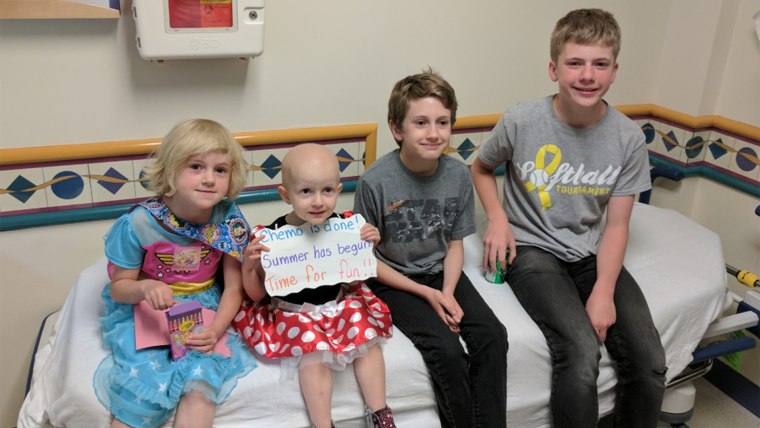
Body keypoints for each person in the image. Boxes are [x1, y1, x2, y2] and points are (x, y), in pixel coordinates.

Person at [470, 8, 667, 428]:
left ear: (615, 71)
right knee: (580, 353)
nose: (587, 75)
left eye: (599, 64)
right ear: (553, 68)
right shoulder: (522, 120)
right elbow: (481, 168)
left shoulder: (628, 138)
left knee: (650, 363)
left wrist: (603, 292)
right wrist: (498, 219)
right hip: (531, 250)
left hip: (590, 252)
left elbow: (616, 225)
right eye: (575, 63)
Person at [354, 69, 508, 428]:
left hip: (443, 273)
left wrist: (449, 292)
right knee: (447, 350)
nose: (433, 133)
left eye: (442, 122)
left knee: (492, 336)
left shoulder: (458, 175)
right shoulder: (374, 181)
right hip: (395, 280)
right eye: (421, 122)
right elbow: (366, 261)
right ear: (397, 128)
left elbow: (455, 243)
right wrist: (428, 295)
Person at [93, 119, 257, 428]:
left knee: (202, 381)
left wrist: (217, 329)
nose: (209, 179)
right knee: (143, 385)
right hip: (147, 307)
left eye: (220, 170)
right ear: (170, 169)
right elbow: (120, 287)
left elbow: (234, 288)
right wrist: (144, 288)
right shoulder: (139, 224)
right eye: (196, 166)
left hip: (204, 308)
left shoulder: (228, 218)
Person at [232, 143, 396, 428]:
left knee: (368, 343)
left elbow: (353, 276)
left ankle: (381, 414)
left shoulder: (343, 227)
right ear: (286, 195)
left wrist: (367, 245)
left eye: (327, 191)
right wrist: (248, 267)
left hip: (337, 305)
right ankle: (323, 424)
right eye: (306, 191)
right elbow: (257, 295)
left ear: (338, 189)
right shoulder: (272, 238)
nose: (318, 201)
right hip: (295, 313)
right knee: (313, 354)